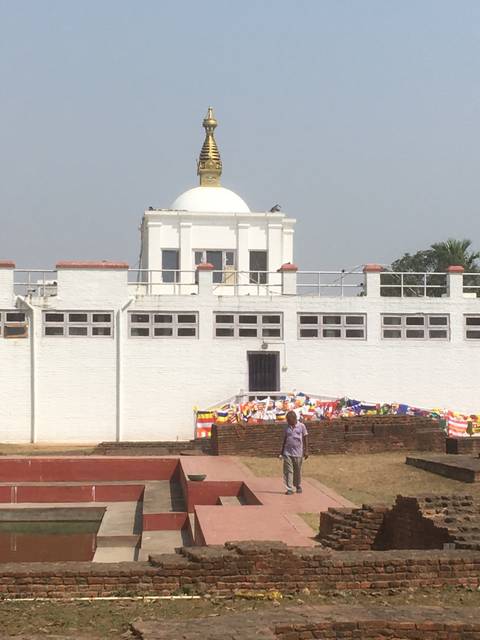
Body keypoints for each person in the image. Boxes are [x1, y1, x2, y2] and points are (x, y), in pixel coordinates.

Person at [279, 410, 309, 495]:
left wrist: (306, 450)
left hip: (298, 452)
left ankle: (298, 485)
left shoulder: (301, 426)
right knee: (288, 470)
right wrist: (281, 452)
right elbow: (285, 439)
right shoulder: (286, 427)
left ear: (294, 419)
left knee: (297, 470)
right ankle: (289, 488)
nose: (288, 421)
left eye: (289, 420)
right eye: (287, 420)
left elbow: (305, 437)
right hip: (287, 452)